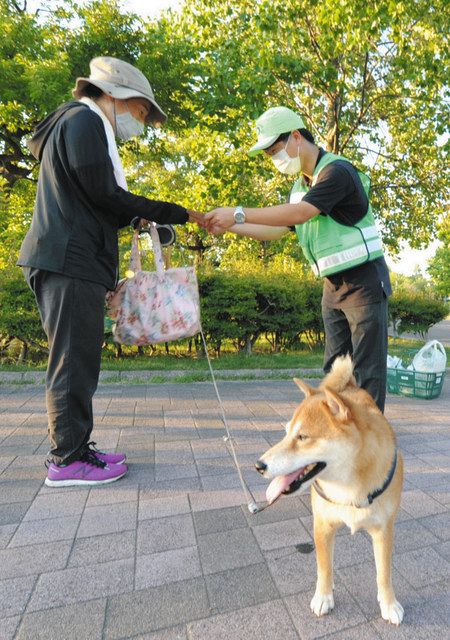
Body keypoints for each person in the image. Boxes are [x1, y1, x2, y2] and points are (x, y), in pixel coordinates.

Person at [18, 56, 204, 487]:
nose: (140, 123)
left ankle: (79, 448)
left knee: (80, 359)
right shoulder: (83, 122)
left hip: (71, 259)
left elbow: (96, 200)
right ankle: (66, 461)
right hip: (68, 260)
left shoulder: (79, 125)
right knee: (71, 363)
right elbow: (106, 194)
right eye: (141, 112)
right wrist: (182, 212)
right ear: (116, 96)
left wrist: (140, 220)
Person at [205, 106, 392, 412]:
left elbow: (302, 213)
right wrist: (231, 226)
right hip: (332, 288)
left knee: (366, 371)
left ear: (295, 136)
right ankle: (339, 436)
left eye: (274, 150)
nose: (273, 159)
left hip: (364, 283)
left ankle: (371, 443)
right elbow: (280, 229)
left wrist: (237, 212)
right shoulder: (300, 187)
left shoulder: (336, 172)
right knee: (335, 372)